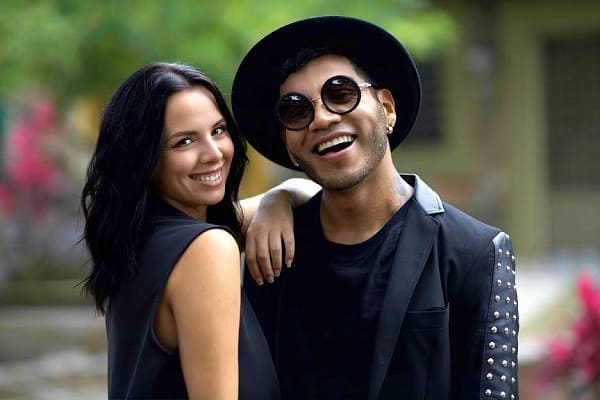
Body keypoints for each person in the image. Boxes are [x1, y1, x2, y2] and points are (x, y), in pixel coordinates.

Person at [232, 16, 520, 400]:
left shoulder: (474, 251)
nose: (322, 118)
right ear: (289, 145)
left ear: (387, 108)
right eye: (296, 111)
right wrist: (277, 197)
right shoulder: (272, 252)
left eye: (341, 93)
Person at [80, 62, 316, 399]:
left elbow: (306, 190)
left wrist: (278, 199)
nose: (214, 153)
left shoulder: (139, 241)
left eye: (218, 130)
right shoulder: (206, 248)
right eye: (185, 141)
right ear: (144, 158)